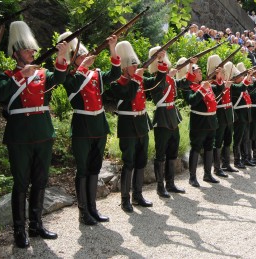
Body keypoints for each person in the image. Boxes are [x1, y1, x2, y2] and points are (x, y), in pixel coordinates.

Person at [0, 21, 68, 248]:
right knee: (21, 182)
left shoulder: (42, 73)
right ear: (16, 53)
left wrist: (62, 55)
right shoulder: (6, 75)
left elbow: (60, 78)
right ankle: (19, 231)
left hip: (43, 132)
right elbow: (0, 94)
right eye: (28, 49)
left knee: (40, 180)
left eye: (33, 49)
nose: (33, 53)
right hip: (20, 135)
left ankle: (36, 225)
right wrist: (20, 76)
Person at [59, 32, 121, 224]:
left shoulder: (95, 74)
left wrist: (112, 47)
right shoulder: (70, 77)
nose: (85, 59)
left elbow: (115, 74)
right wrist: (82, 68)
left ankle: (93, 208)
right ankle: (83, 211)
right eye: (80, 56)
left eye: (85, 56)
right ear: (73, 60)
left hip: (98, 125)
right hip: (82, 126)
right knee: (83, 169)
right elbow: (72, 87)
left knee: (95, 168)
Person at [110, 41, 163, 212]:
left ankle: (138, 195)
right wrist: (137, 78)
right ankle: (125, 199)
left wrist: (160, 62)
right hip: (127, 125)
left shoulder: (138, 79)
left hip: (141, 123)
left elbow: (159, 81)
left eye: (136, 64)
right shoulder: (117, 82)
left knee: (141, 161)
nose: (136, 66)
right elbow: (128, 94)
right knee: (129, 162)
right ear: (124, 67)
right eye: (132, 64)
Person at [148, 50, 193, 198]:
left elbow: (186, 83)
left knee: (172, 152)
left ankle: (170, 183)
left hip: (173, 116)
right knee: (161, 154)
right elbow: (160, 87)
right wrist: (168, 76)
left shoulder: (169, 79)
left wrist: (190, 66)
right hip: (162, 117)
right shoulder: (156, 79)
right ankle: (160, 187)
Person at [185, 62, 220, 187]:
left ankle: (207, 174)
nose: (200, 73)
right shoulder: (188, 87)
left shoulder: (205, 85)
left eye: (200, 72)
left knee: (209, 147)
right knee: (196, 148)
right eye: (198, 72)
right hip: (199, 122)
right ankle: (192, 177)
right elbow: (192, 101)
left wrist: (218, 75)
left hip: (210, 120)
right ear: (192, 74)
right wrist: (202, 89)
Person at [206, 55, 237, 176]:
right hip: (220, 112)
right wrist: (223, 85)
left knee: (228, 139)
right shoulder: (212, 84)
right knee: (218, 141)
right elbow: (216, 99)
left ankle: (226, 163)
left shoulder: (222, 82)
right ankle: (217, 167)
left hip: (228, 113)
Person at [225, 62, 253, 169]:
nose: (241, 78)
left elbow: (248, 86)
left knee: (245, 138)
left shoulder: (239, 86)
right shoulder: (233, 86)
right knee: (238, 139)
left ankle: (245, 158)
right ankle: (237, 160)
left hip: (245, 115)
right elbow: (241, 87)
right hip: (239, 116)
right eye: (239, 77)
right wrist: (248, 76)